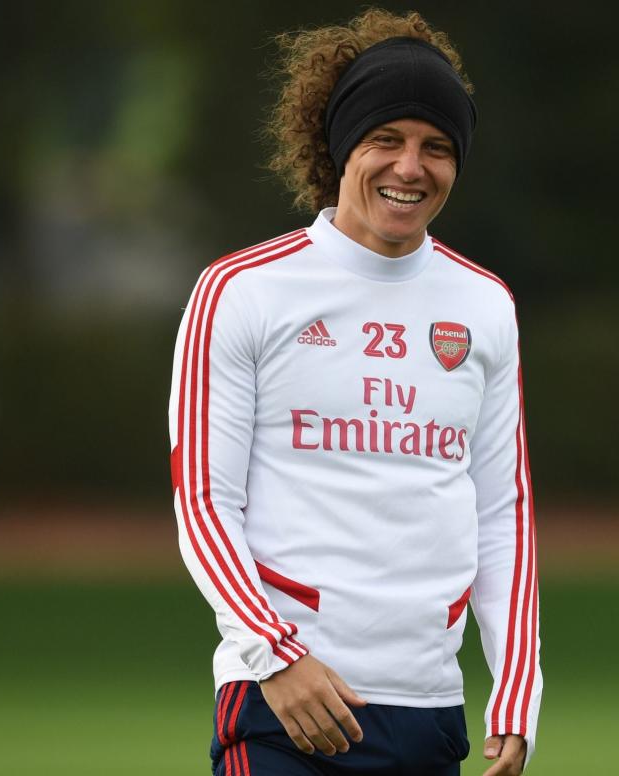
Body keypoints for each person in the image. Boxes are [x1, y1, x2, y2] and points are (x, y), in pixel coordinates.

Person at [168, 9, 541, 775]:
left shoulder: (485, 305)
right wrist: (276, 656)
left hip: (430, 713)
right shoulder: (242, 290)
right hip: (285, 706)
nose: (411, 167)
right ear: (343, 148)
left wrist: (515, 690)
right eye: (386, 141)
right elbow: (204, 502)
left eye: (437, 148)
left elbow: (502, 513)